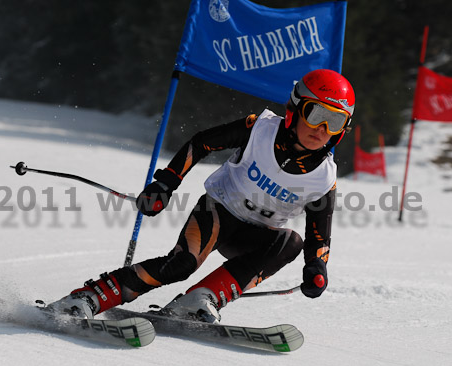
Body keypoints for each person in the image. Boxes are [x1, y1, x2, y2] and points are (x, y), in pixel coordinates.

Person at [46, 69, 355, 323]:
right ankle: (89, 297)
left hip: (257, 236)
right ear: (295, 110)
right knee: (182, 264)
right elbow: (202, 142)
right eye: (315, 114)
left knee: (293, 243)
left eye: (335, 121)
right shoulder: (259, 129)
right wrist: (166, 183)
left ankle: (200, 300)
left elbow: (319, 236)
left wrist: (317, 267)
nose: (322, 129)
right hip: (218, 212)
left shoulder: (324, 178)